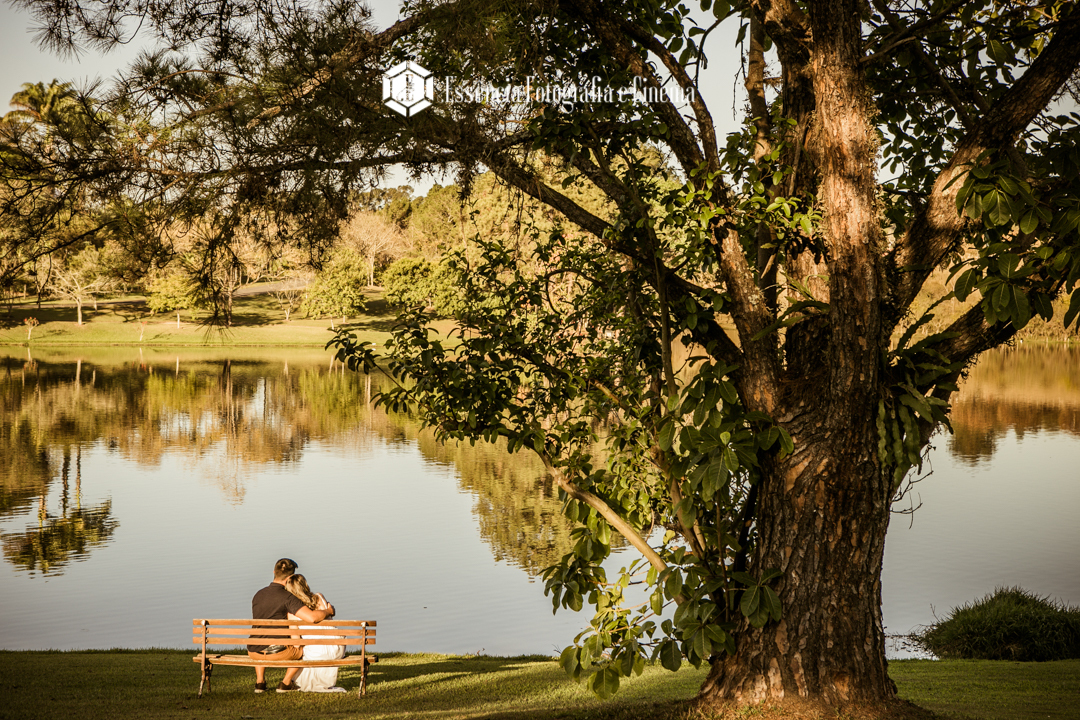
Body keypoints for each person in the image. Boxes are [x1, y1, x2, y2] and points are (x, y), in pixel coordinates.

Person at [248, 558, 335, 693]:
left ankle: (260, 682)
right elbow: (312, 618)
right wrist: (328, 611)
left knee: (261, 637)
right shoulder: (288, 598)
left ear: (274, 572)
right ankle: (286, 683)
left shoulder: (258, 595)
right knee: (303, 650)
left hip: (254, 652)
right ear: (290, 578)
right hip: (278, 652)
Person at [283, 574, 346, 693]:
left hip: (316, 652)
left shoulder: (292, 612)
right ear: (305, 585)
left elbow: (296, 642)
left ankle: (294, 681)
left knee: (305, 650)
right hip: (336, 648)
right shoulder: (320, 597)